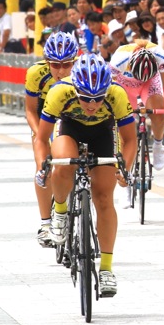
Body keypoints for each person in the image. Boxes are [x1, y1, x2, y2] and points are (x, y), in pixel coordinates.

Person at [33, 54, 137, 297]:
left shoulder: (117, 94)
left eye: (98, 99)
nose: (91, 105)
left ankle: (107, 270)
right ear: (75, 89)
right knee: (63, 164)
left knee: (103, 198)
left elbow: (130, 139)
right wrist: (42, 166)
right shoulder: (60, 91)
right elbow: (41, 137)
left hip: (102, 134)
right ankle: (60, 213)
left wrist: (125, 168)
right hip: (70, 129)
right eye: (85, 98)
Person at [25, 32, 79, 247]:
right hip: (43, 120)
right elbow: (29, 110)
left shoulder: (82, 73)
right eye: (55, 64)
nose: (61, 70)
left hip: (71, 119)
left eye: (66, 64)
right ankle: (46, 223)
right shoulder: (36, 73)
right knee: (43, 169)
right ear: (47, 62)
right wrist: (41, 135)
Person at [109, 40, 164, 174]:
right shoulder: (119, 59)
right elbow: (111, 92)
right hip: (124, 84)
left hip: (150, 83)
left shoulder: (160, 55)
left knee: (158, 114)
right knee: (124, 126)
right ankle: (125, 172)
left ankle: (158, 145)